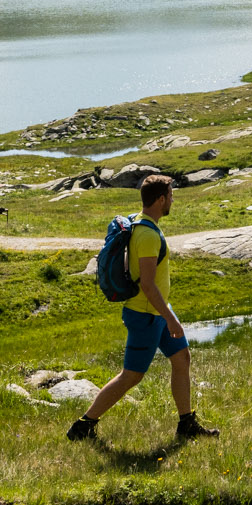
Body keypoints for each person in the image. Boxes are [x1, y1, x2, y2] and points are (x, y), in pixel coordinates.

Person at [69, 175, 218, 442]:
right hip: (146, 315)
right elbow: (148, 284)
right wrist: (171, 319)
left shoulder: (141, 223)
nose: (173, 200)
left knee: (182, 359)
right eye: (171, 196)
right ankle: (84, 424)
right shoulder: (147, 235)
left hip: (157, 312)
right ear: (160, 200)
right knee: (132, 376)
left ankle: (186, 423)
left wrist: (167, 315)